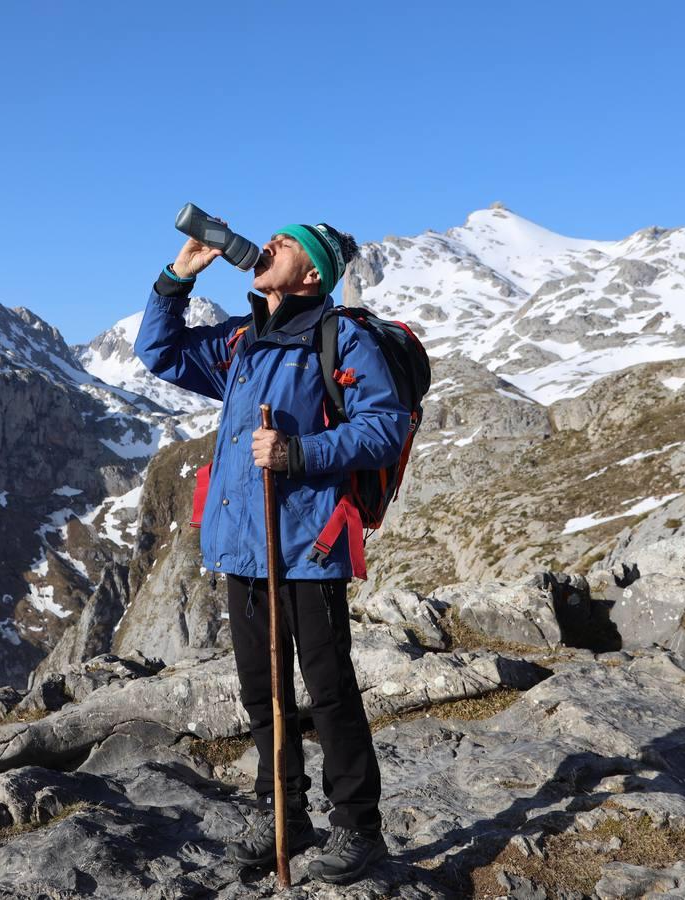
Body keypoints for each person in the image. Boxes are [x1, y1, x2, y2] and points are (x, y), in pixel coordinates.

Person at [134, 220, 406, 884]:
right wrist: (178, 277)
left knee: (329, 687)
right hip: (243, 543)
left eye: (284, 245)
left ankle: (360, 829)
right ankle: (281, 811)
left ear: (310, 274)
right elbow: (159, 353)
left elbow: (386, 427)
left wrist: (300, 452)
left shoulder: (341, 339)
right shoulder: (242, 340)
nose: (266, 247)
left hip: (307, 544)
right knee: (262, 691)